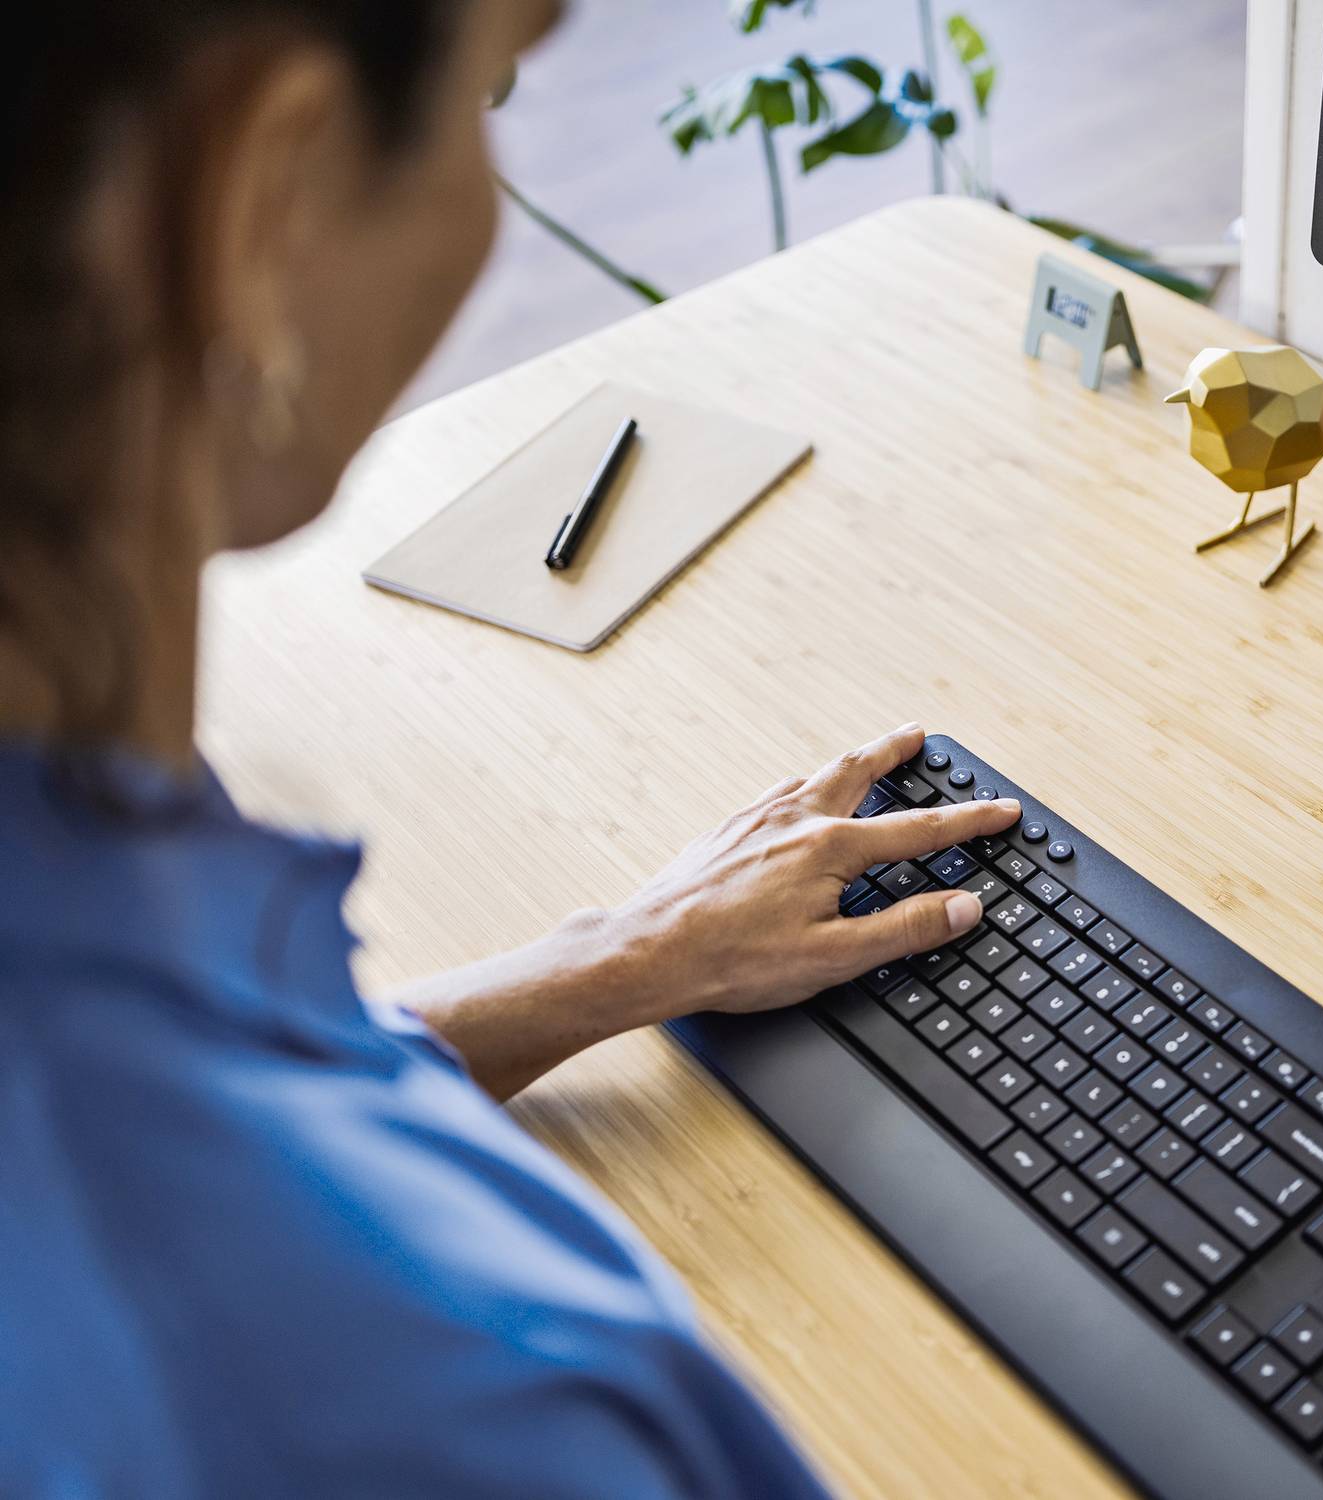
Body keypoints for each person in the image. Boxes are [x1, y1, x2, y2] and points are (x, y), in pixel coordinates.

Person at [0, 4, 1019, 1495]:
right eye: (495, 86)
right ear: (262, 201)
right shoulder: (465, 1409)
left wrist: (622, 957)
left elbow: (211, 1088)